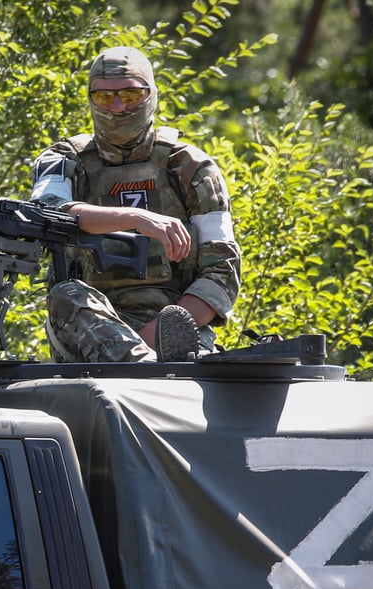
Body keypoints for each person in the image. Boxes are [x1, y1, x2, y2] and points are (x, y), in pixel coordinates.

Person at [31, 45, 241, 362]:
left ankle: (141, 364)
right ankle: (140, 368)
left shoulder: (191, 167)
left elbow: (222, 271)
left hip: (176, 332)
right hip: (89, 329)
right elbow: (47, 214)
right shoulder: (63, 160)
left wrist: (155, 335)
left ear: (150, 95)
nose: (116, 108)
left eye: (129, 95)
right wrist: (136, 218)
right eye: (103, 97)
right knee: (67, 295)